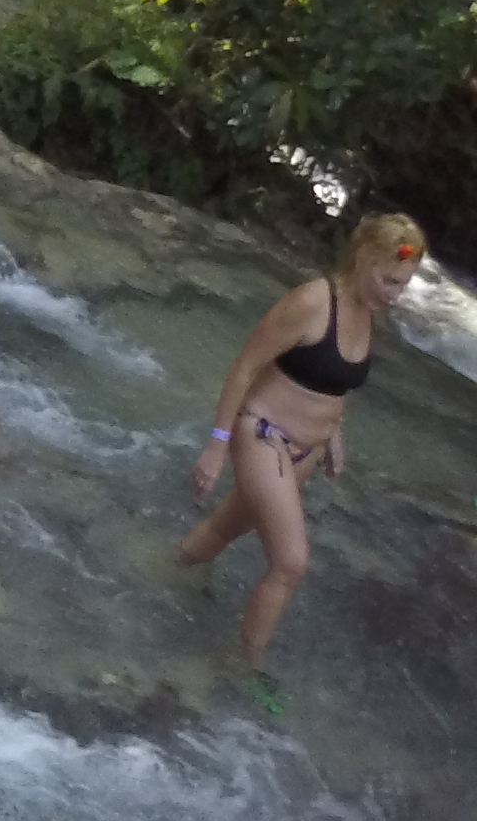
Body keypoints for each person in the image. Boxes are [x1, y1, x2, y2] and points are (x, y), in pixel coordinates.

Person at [179, 209, 430, 675]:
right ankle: (244, 667)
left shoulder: (369, 311)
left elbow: (329, 379)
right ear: (361, 257)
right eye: (389, 280)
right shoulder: (313, 303)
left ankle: (162, 572)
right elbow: (245, 368)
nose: (394, 295)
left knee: (223, 531)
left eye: (403, 284)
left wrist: (334, 432)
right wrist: (217, 445)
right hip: (263, 434)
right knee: (291, 562)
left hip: (305, 451)